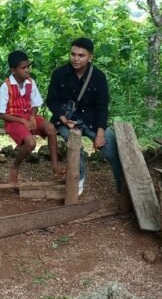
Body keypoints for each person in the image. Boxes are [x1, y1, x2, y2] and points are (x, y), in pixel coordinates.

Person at [46, 38, 123, 196]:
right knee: (75, 145)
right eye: (73, 54)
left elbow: (102, 105)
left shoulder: (98, 76)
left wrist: (100, 132)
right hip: (67, 120)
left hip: (92, 121)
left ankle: (124, 188)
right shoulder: (59, 74)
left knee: (113, 149)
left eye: (81, 55)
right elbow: (51, 101)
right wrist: (62, 119)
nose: (76, 58)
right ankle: (78, 179)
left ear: (90, 57)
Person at [0, 51, 64, 184]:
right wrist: (22, 121)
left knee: (51, 129)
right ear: (13, 70)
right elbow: (0, 113)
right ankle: (15, 166)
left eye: (28, 66)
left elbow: (35, 104)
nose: (27, 70)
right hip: (13, 120)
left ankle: (55, 166)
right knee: (31, 143)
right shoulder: (6, 86)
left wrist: (32, 117)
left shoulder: (30, 82)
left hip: (29, 116)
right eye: (23, 68)